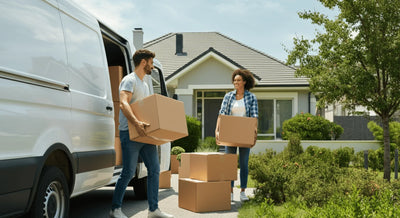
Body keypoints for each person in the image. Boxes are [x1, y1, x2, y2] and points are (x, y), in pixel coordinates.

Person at [110, 49, 174, 218]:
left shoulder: (145, 84)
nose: (152, 67)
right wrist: (136, 123)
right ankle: (115, 209)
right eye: (151, 63)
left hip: (145, 134)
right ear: (144, 62)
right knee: (129, 172)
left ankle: (153, 210)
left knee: (154, 169)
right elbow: (123, 104)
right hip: (130, 133)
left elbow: (146, 110)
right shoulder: (129, 80)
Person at [215, 69, 258, 202]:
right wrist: (217, 131)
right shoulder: (228, 96)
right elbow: (221, 114)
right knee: (230, 164)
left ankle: (243, 191)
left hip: (245, 134)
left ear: (244, 82)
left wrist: (254, 134)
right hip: (230, 134)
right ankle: (230, 191)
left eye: (238, 80)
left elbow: (255, 117)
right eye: (234, 80)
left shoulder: (251, 97)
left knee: (244, 164)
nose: (236, 82)